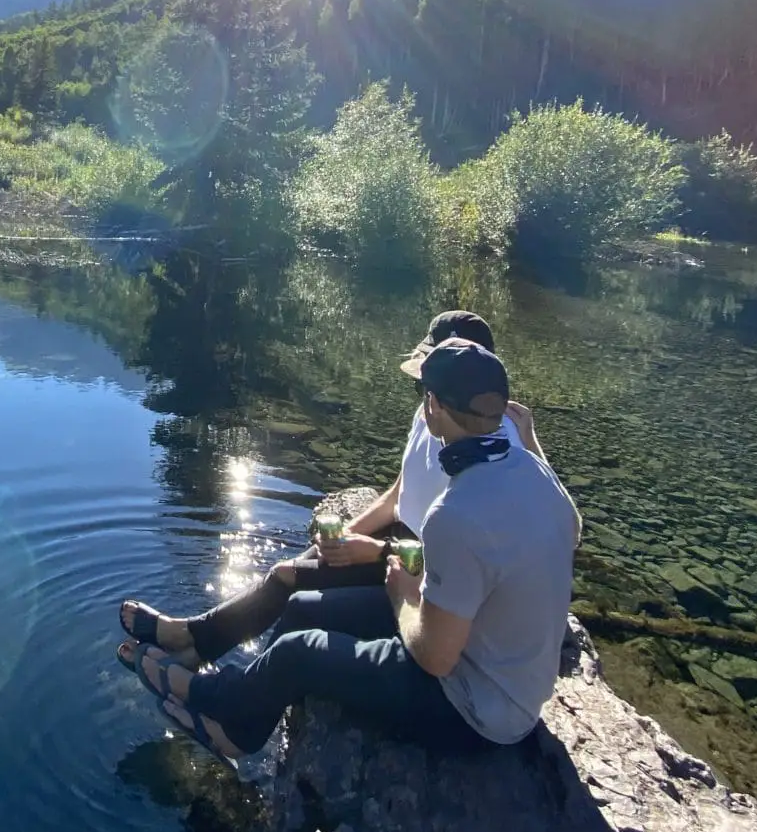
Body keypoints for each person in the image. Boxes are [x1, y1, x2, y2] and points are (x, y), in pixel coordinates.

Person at [116, 337, 581, 765]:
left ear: (434, 406)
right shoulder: (531, 467)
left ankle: (216, 700)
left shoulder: (456, 514)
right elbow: (572, 527)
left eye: (425, 398)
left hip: (476, 704)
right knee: (299, 606)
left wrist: (401, 593)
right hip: (486, 650)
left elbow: (435, 657)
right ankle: (242, 723)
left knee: (299, 653)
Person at [120, 309, 533, 668]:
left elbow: (479, 557)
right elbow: (397, 496)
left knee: (285, 576)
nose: (422, 391)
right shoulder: (429, 417)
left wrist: (376, 552)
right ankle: (195, 646)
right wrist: (348, 532)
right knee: (303, 562)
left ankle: (191, 641)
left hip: (418, 570)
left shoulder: (492, 452)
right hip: (399, 548)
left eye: (431, 378)